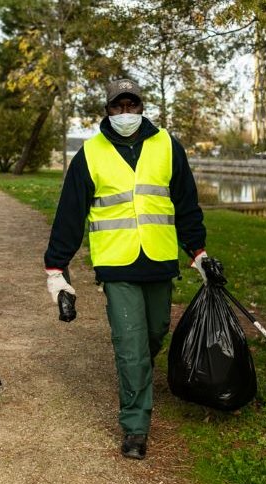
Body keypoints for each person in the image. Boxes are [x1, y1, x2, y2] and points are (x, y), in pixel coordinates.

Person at [44, 79, 219, 460]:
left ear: (142, 107)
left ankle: (136, 373)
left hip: (158, 260)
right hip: (116, 263)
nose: (125, 113)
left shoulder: (167, 146)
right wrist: (56, 268)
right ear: (107, 111)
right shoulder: (90, 154)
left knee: (155, 332)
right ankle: (136, 427)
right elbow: (69, 216)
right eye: (117, 107)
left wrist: (199, 252)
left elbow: (186, 204)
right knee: (131, 344)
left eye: (131, 106)